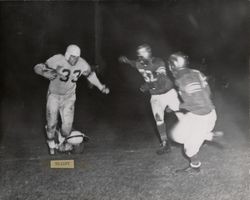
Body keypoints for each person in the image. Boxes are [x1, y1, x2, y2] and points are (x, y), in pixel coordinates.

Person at [34, 44, 110, 155]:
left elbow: (90, 75)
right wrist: (43, 72)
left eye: (77, 57)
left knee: (67, 128)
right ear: (67, 55)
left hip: (69, 97)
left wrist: (101, 86)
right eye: (73, 57)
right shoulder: (57, 59)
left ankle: (60, 139)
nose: (75, 60)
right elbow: (37, 67)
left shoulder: (82, 63)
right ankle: (51, 143)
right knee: (51, 124)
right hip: (54, 95)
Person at [119, 44, 180, 155]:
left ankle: (200, 135)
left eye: (143, 52)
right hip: (155, 96)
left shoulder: (158, 62)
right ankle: (165, 143)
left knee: (182, 114)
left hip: (168, 93)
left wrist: (148, 86)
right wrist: (127, 61)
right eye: (139, 53)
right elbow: (134, 64)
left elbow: (161, 79)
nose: (141, 55)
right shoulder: (139, 63)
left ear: (149, 52)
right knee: (158, 119)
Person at [168, 52, 223, 173]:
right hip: (206, 113)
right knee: (178, 135)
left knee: (188, 146)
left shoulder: (182, 78)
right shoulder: (196, 72)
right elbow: (208, 93)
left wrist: (178, 106)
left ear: (173, 65)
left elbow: (197, 101)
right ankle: (209, 136)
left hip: (201, 117)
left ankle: (195, 166)